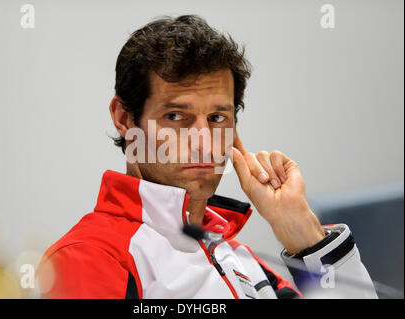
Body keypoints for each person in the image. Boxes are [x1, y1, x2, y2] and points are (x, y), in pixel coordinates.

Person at [37, 15, 377, 299]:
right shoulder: (89, 256)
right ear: (126, 119)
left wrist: (301, 231)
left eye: (217, 118)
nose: (204, 142)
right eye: (175, 116)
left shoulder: (243, 262)